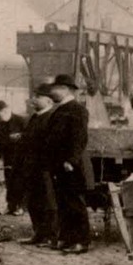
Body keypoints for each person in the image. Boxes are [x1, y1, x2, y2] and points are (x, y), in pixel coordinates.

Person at [45, 74, 92, 253]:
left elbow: (80, 138)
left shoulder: (77, 110)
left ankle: (82, 241)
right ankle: (66, 238)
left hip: (70, 165)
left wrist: (70, 160)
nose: (51, 92)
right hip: (59, 164)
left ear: (65, 89)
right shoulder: (60, 109)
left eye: (54, 88)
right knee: (62, 203)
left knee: (75, 203)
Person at [20, 83, 58, 246]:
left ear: (49, 101)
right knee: (33, 202)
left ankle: (51, 236)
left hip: (45, 168)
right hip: (31, 167)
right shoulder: (35, 117)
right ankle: (38, 234)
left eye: (38, 97)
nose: (33, 100)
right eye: (34, 96)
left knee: (48, 202)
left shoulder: (52, 118)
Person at [0, 100, 25, 214]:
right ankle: (11, 206)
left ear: (5, 110)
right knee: (9, 182)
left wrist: (19, 136)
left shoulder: (21, 120)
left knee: (19, 181)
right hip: (8, 157)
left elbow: (29, 137)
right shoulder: (0, 124)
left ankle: (20, 206)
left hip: (21, 157)